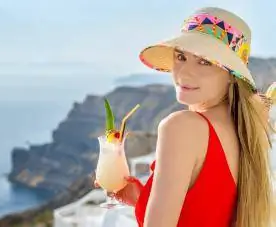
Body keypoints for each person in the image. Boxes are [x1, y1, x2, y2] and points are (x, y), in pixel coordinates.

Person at [95, 6, 275, 227]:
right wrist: (141, 199)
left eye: (205, 61)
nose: (184, 72)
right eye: (181, 56)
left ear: (231, 76)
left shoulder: (182, 127)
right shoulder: (244, 128)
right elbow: (207, 210)